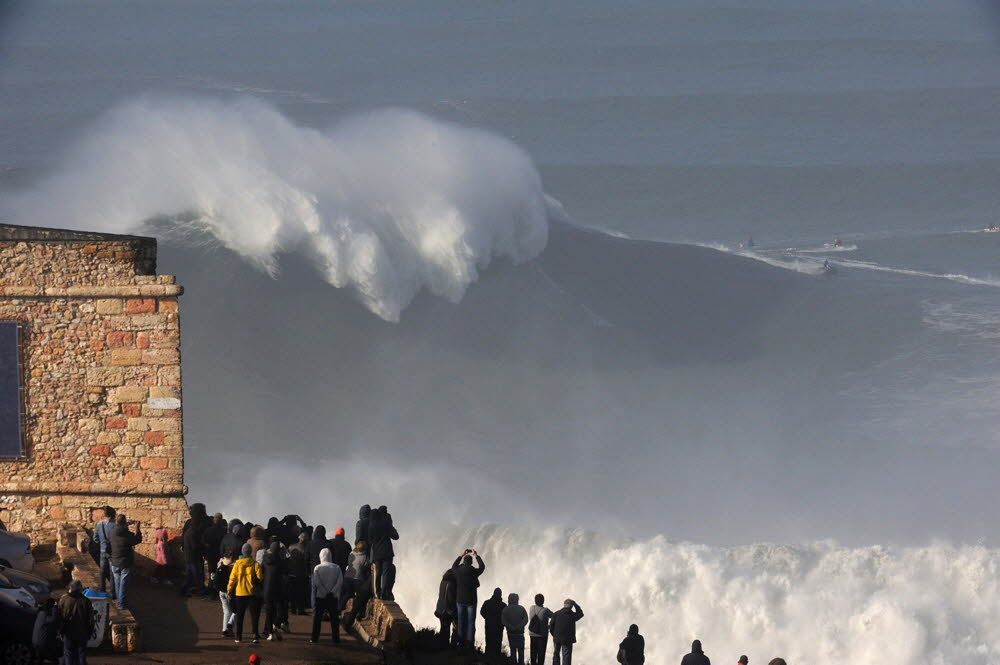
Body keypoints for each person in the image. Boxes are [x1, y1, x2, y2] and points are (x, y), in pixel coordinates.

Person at [228, 542, 263, 644]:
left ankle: (239, 637)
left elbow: (232, 579)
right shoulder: (255, 563)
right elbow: (260, 577)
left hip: (240, 592)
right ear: (250, 552)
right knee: (254, 616)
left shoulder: (238, 564)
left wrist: (229, 590)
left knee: (240, 616)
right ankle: (255, 635)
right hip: (252, 593)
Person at [451, 548, 485, 648]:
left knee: (461, 622)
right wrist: (476, 555)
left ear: (463, 562)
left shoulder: (458, 571)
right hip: (471, 601)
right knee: (471, 623)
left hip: (460, 600)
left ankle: (461, 644)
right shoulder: (474, 571)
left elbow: (453, 566)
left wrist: (461, 555)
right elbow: (482, 567)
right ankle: (469, 645)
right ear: (471, 563)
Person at [57, 579, 94, 665]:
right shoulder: (86, 601)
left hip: (68, 632)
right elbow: (91, 620)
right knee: (82, 655)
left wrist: (60, 631)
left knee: (68, 655)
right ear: (80, 589)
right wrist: (89, 633)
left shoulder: (63, 599)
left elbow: (59, 616)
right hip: (82, 633)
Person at [310, 548, 343, 644]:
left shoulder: (317, 568)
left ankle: (314, 638)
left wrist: (324, 592)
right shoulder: (337, 567)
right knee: (334, 619)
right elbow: (340, 581)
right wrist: (332, 592)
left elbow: (317, 582)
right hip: (332, 597)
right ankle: (336, 639)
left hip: (320, 596)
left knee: (317, 619)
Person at [109, 514, 142, 610]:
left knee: (117, 582)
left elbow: (119, 528)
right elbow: (138, 539)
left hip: (115, 561)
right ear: (124, 523)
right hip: (125, 562)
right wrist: (137, 528)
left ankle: (120, 602)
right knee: (123, 584)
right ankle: (121, 604)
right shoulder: (128, 535)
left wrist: (127, 524)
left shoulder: (112, 532)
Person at [368, 506, 399, 599]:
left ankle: (377, 591)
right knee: (386, 572)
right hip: (387, 551)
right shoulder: (386, 524)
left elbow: (370, 540)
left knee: (378, 572)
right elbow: (396, 536)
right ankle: (384, 593)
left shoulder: (371, 526)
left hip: (377, 553)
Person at [261, 542, 288, 641]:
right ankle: (275, 625)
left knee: (269, 611)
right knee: (280, 610)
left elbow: (261, 572)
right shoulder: (281, 561)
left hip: (267, 588)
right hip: (278, 588)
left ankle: (270, 633)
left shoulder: (265, 559)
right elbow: (286, 572)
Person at [180, 505, 207, 597]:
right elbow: (195, 545)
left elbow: (183, 539)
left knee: (190, 575)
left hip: (189, 555)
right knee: (197, 575)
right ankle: (200, 592)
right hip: (194, 556)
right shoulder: (193, 531)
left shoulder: (189, 527)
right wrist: (204, 547)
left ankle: (183, 591)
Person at [344, 540, 372, 623]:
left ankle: (338, 608)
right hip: (358, 579)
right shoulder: (365, 557)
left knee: (347, 594)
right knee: (360, 596)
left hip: (347, 577)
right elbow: (365, 568)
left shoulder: (351, 554)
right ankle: (359, 614)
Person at [549, 599, 584, 665]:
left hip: (557, 638)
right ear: (571, 606)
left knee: (556, 655)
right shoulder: (572, 615)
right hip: (567, 640)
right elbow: (581, 614)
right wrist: (576, 605)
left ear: (564, 605)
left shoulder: (556, 613)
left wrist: (554, 635)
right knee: (566, 657)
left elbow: (551, 625)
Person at [94, 506, 116, 599]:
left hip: (103, 550)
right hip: (112, 552)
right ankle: (112, 592)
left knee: (102, 571)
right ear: (112, 516)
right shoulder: (115, 526)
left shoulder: (99, 524)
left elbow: (95, 538)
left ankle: (101, 590)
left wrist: (102, 544)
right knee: (112, 572)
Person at [215, 547, 236, 637]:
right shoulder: (231, 567)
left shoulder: (220, 564)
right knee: (234, 611)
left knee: (226, 611)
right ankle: (227, 629)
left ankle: (225, 629)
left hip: (221, 592)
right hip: (228, 592)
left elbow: (216, 580)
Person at [502, 592, 529, 665]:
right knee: (521, 651)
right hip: (520, 634)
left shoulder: (505, 609)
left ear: (509, 600)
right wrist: (519, 626)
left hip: (511, 634)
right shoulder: (522, 608)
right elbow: (526, 619)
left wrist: (511, 627)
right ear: (517, 600)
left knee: (513, 651)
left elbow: (503, 621)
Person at [32, 597, 60, 664]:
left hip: (35, 642)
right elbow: (53, 620)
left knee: (40, 659)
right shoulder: (45, 615)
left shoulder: (40, 613)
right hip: (43, 643)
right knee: (55, 659)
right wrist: (55, 607)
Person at [287, 532, 309, 615]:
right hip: (301, 573)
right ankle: (300, 609)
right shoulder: (306, 549)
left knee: (293, 591)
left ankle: (293, 609)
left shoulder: (291, 546)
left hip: (292, 572)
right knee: (301, 592)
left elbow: (287, 558)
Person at [527, 594, 553, 665]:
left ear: (535, 601)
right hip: (542, 635)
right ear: (543, 601)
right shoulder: (546, 610)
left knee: (533, 652)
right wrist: (549, 626)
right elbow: (554, 616)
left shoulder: (531, 607)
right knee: (541, 654)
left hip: (532, 633)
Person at [434, 569, 457, 648]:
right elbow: (450, 599)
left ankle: (442, 646)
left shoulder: (443, 582)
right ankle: (447, 648)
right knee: (450, 629)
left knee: (444, 629)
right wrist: (453, 612)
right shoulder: (451, 584)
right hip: (446, 611)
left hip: (440, 609)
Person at [480, 587, 506, 657]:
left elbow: (482, 612)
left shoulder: (487, 602)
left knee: (488, 641)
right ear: (500, 595)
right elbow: (506, 617)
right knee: (497, 643)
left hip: (489, 625)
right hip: (499, 627)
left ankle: (488, 657)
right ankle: (496, 658)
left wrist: (487, 618)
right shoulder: (503, 605)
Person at [203, 513, 226, 588]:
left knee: (211, 572)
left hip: (210, 555)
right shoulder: (224, 531)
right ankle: (217, 589)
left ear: (214, 520)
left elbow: (203, 542)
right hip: (219, 555)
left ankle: (211, 587)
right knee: (219, 572)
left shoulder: (208, 530)